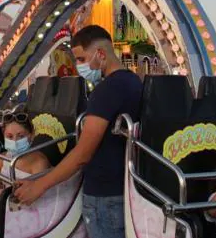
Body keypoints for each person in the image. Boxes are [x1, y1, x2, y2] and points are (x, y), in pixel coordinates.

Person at [14, 25, 143, 238]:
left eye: (82, 59)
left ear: (100, 54)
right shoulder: (133, 81)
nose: (78, 66)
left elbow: (83, 154)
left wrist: (40, 186)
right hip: (123, 190)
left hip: (103, 195)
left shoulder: (106, 90)